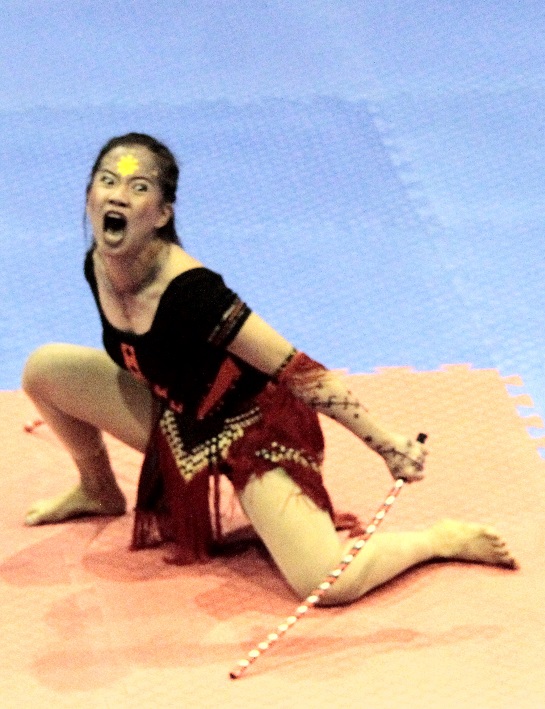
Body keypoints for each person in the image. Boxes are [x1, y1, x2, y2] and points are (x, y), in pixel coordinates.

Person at [22, 133, 516, 605]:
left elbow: (300, 371)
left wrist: (386, 444)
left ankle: (438, 541)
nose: (120, 195)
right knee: (43, 369)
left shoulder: (195, 294)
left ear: (162, 214)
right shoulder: (99, 263)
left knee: (326, 582)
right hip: (176, 417)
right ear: (89, 195)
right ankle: (98, 488)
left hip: (251, 431)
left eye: (139, 186)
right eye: (108, 180)